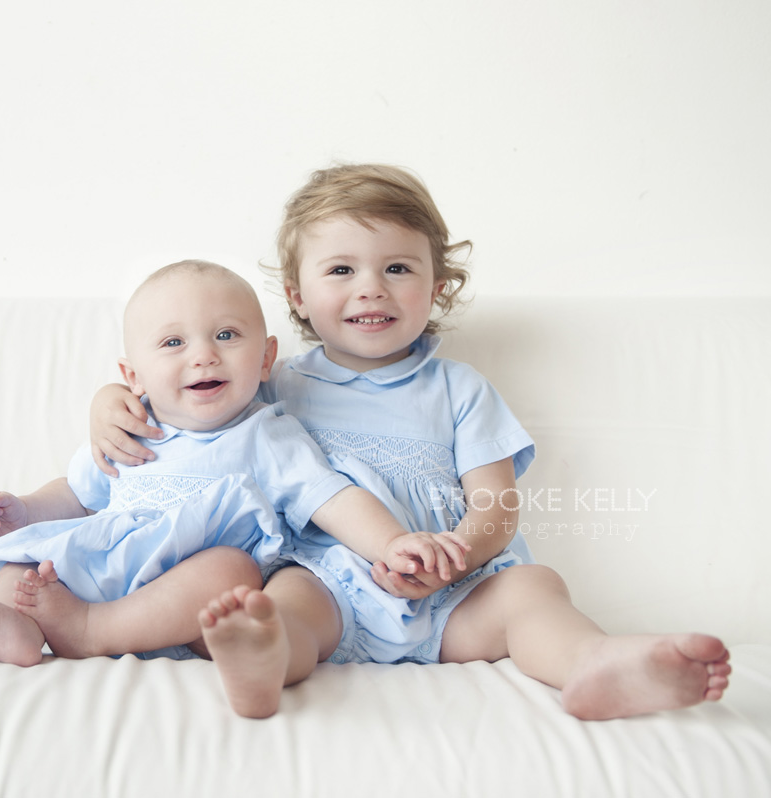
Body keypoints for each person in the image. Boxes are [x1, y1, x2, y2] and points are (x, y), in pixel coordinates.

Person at [89, 164, 731, 720]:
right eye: (341, 269)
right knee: (278, 604)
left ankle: (592, 663)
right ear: (297, 297)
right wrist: (109, 401)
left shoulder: (460, 389)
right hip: (327, 582)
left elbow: (497, 507)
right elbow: (187, 411)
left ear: (437, 288)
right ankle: (262, 661)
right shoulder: (269, 381)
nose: (370, 287)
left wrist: (456, 557)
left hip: (454, 596)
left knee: (535, 589)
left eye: (397, 267)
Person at [0, 259, 468, 677]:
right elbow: (78, 493)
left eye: (226, 335)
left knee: (233, 570)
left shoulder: (267, 434)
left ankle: (94, 631)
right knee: (28, 561)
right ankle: (13, 629)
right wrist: (23, 510)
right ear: (133, 376)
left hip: (183, 599)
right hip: (99, 570)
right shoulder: (128, 425)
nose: (203, 355)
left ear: (265, 359)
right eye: (173, 343)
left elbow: (332, 498)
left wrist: (392, 542)